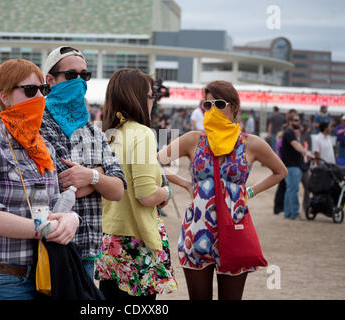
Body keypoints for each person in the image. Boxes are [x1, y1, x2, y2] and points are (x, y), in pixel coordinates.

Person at [158, 80, 287, 300]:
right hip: (197, 231)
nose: (213, 110)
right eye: (207, 105)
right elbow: (155, 162)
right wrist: (186, 184)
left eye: (219, 103)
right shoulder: (194, 140)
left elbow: (280, 171)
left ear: (235, 107)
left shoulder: (251, 144)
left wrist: (250, 192)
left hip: (234, 230)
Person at [0, 59, 80, 300]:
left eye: (43, 89)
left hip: (46, 273)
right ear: (5, 97)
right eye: (30, 90)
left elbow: (58, 201)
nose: (40, 96)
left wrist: (72, 219)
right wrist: (45, 229)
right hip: (5, 279)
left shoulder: (43, 146)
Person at [41, 46, 126, 279]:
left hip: (88, 252)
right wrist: (99, 178)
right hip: (46, 249)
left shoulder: (93, 132)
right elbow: (52, 185)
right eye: (71, 75)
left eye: (84, 75)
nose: (79, 81)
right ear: (51, 80)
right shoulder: (37, 125)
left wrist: (91, 177)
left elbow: (119, 189)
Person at [95, 68, 177, 301]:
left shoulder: (107, 133)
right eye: (151, 96)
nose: (152, 101)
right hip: (136, 238)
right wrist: (166, 191)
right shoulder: (142, 134)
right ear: (137, 97)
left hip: (109, 237)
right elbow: (146, 195)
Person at [281, 113, 307, 220]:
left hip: (290, 166)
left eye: (298, 120)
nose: (298, 122)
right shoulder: (289, 133)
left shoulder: (290, 133)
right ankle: (294, 214)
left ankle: (288, 213)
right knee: (293, 190)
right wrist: (306, 152)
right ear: (289, 122)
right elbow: (296, 146)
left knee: (289, 189)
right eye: (296, 120)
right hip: (292, 166)